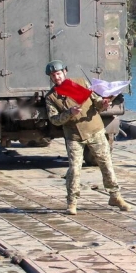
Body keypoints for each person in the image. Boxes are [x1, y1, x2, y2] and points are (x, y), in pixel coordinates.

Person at [44, 60, 131, 216]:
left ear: (65, 71)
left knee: (106, 164)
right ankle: (72, 202)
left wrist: (103, 103)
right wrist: (69, 113)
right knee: (74, 170)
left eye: (58, 73)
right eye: (53, 75)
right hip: (74, 136)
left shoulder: (80, 83)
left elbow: (95, 101)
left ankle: (115, 196)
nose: (56, 77)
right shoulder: (51, 97)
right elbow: (54, 120)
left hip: (95, 130)